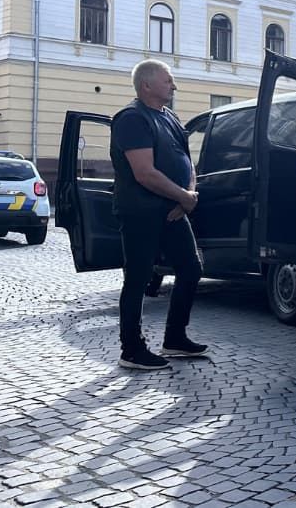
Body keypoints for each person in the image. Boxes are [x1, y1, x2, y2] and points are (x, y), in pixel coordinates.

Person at [110, 59, 205, 370]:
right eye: (168, 81)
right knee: (137, 278)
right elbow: (144, 173)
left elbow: (185, 162)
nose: (174, 86)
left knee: (191, 268)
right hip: (141, 212)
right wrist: (183, 196)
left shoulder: (171, 118)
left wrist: (186, 198)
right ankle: (132, 350)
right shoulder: (131, 119)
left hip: (174, 211)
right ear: (147, 85)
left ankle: (175, 338)